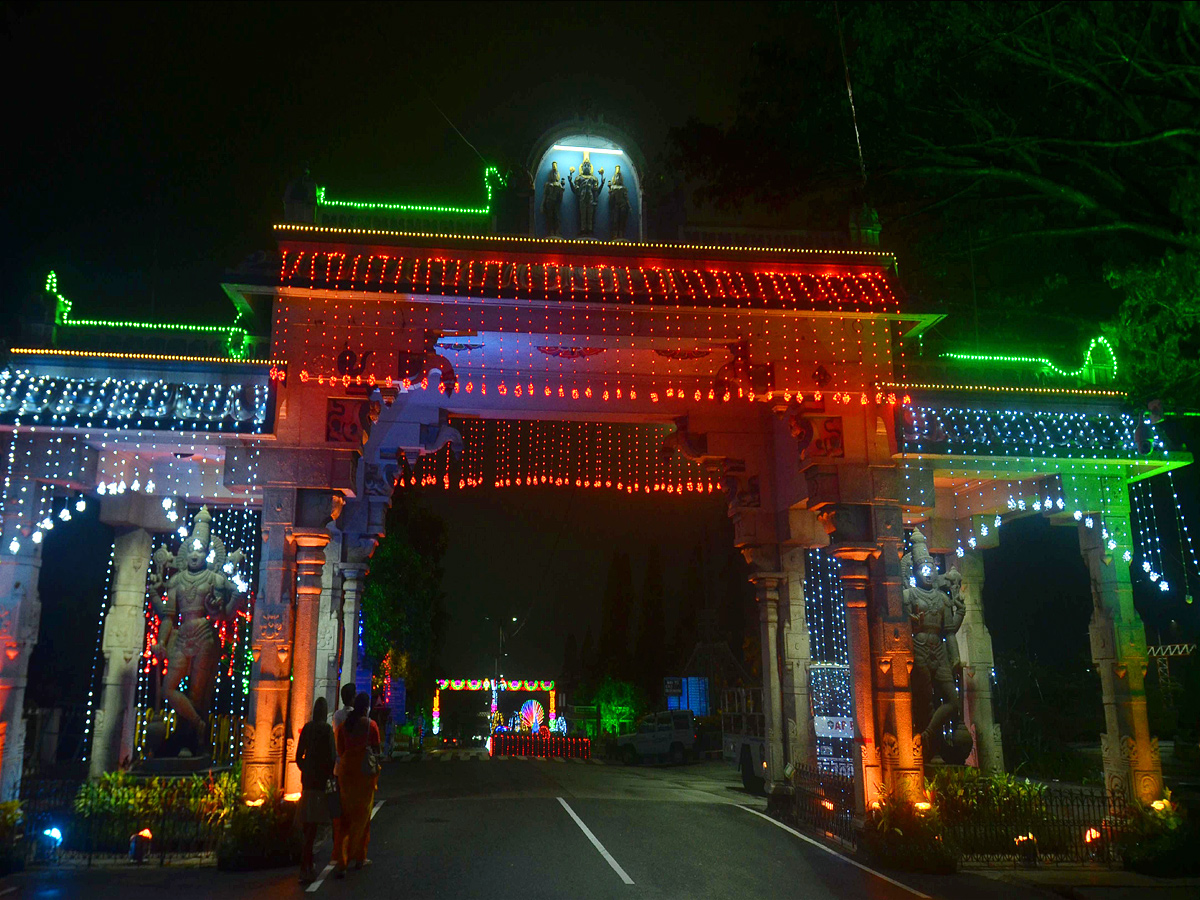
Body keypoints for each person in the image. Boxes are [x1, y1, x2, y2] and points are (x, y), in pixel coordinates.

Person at [332, 691, 381, 875]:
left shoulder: (344, 726)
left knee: (345, 817)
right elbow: (377, 749)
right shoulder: (371, 725)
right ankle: (360, 856)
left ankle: (342, 861)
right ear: (366, 707)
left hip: (346, 772)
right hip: (363, 774)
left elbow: (340, 749)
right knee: (362, 816)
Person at [295, 697, 336, 884]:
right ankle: (307, 866)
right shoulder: (326, 730)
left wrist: (306, 768)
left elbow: (298, 756)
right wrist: (327, 773)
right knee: (315, 826)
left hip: (308, 781)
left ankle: (306, 864)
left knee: (308, 826)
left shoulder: (307, 728)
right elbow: (332, 755)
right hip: (320, 782)